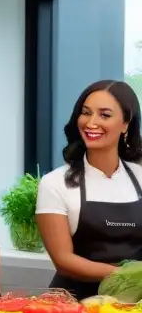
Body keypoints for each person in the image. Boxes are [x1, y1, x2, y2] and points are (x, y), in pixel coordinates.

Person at [36, 80, 142, 299]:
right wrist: (130, 276)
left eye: (104, 115)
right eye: (86, 113)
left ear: (125, 124)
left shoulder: (140, 176)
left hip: (135, 305)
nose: (91, 122)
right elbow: (64, 260)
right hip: (74, 305)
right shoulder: (55, 183)